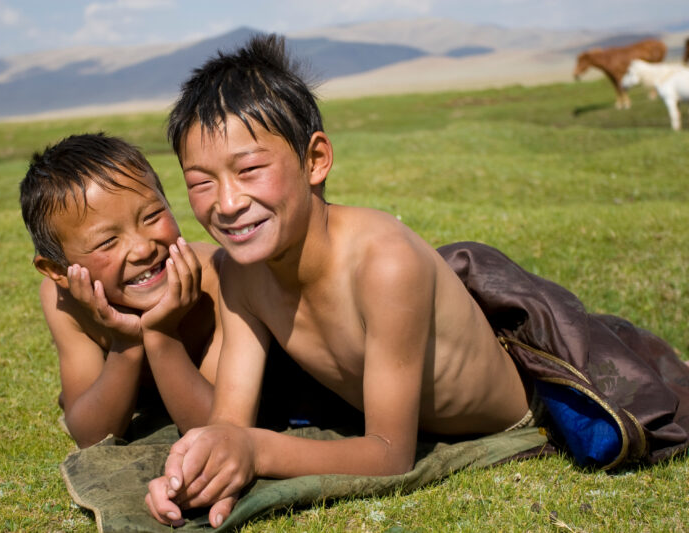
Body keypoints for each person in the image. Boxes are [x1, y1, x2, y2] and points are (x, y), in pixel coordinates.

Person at [144, 35, 536, 528]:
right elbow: (229, 422)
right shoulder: (241, 273)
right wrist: (186, 477)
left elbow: (391, 454)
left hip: (501, 422)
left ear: (315, 160)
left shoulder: (384, 264)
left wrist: (255, 450)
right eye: (201, 182)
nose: (226, 203)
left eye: (249, 170)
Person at [19, 133, 223, 448]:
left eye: (153, 216)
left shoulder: (216, 278)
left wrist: (162, 333)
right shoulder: (65, 302)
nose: (142, 249)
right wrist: (126, 343)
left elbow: (217, 426)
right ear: (59, 271)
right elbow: (90, 436)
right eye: (107, 242)